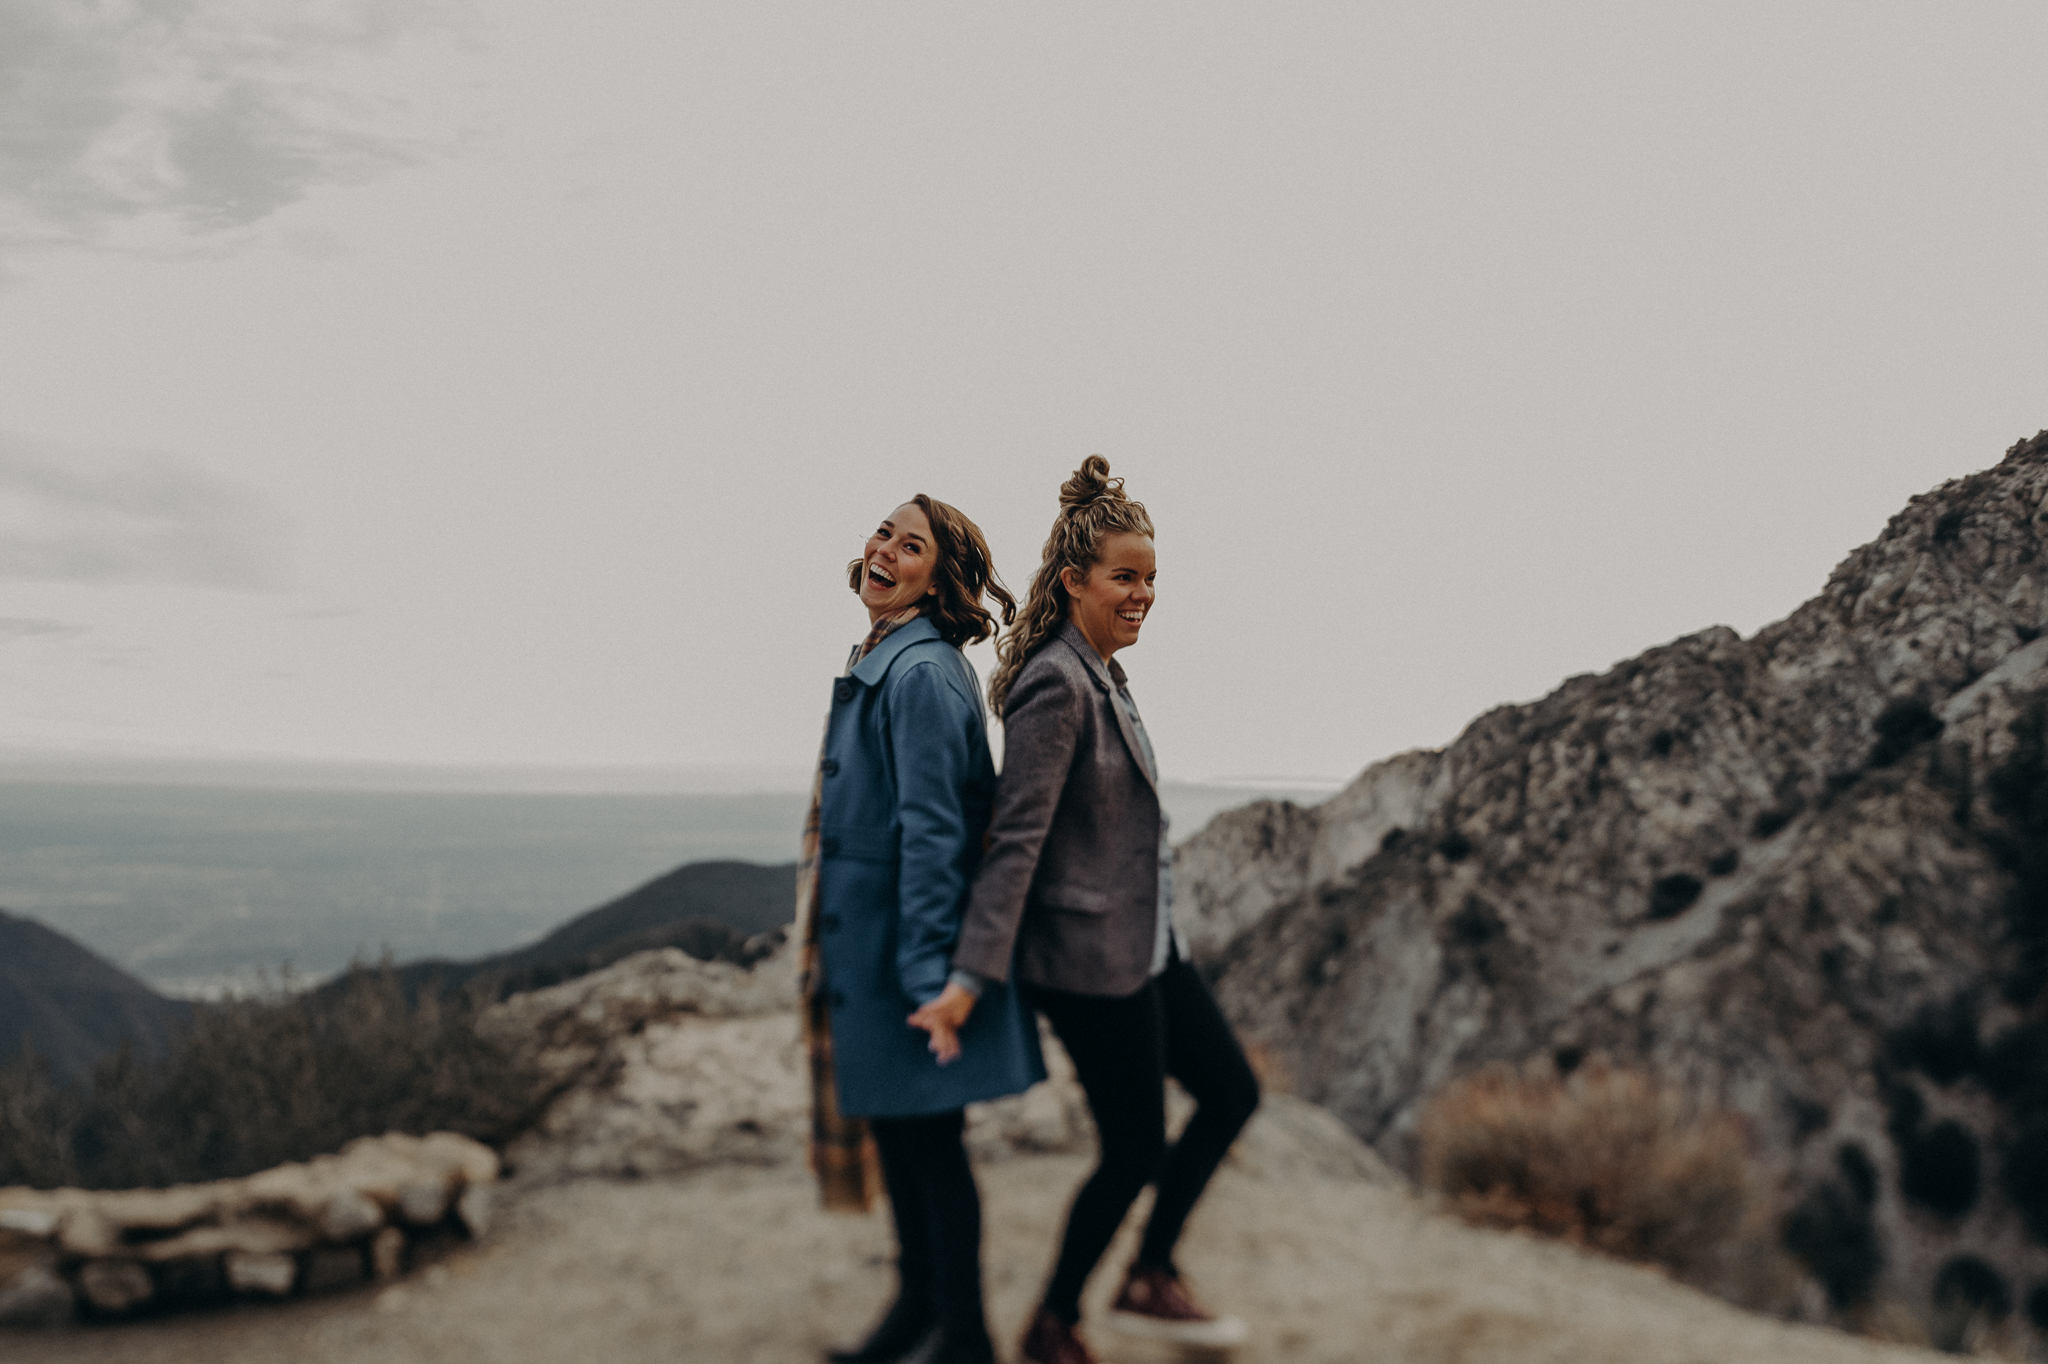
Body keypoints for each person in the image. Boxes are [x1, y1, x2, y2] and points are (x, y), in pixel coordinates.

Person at [913, 457, 1261, 1364]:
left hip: (1148, 944)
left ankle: (1149, 1272)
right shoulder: (1053, 685)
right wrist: (972, 976)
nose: (1144, 594)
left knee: (1232, 1092)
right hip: (1086, 964)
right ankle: (1055, 1320)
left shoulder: (1104, 669)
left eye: (1151, 579)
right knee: (1135, 1149)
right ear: (1074, 580)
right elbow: (1015, 842)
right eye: (1126, 577)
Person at [800, 494, 1047, 1364]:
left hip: (907, 958)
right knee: (905, 1141)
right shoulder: (886, 656)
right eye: (882, 533)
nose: (885, 550)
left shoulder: (922, 674)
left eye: (913, 546)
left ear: (940, 581)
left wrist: (926, 977)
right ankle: (917, 1312)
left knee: (931, 1149)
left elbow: (939, 834)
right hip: (875, 949)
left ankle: (965, 1340)